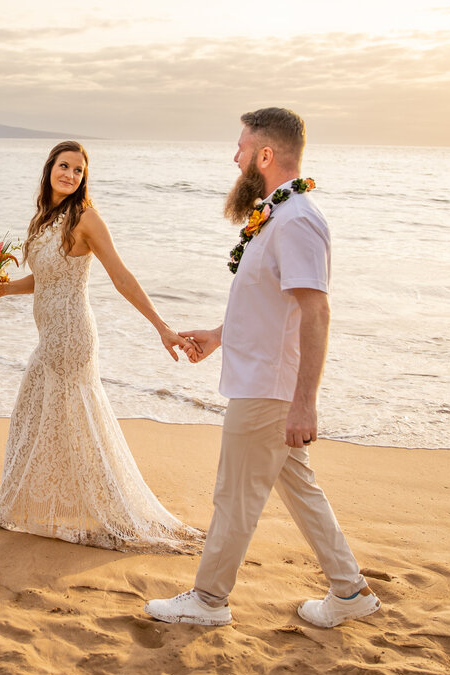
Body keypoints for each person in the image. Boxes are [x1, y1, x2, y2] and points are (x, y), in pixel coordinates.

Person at [144, 108, 381, 627]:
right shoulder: (276, 216)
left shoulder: (297, 220)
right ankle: (350, 592)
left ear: (266, 155)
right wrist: (220, 336)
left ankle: (208, 600)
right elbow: (272, 308)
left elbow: (315, 310)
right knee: (299, 489)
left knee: (234, 495)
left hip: (269, 391)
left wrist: (304, 403)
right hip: (264, 382)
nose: (235, 156)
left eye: (242, 147)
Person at [0, 140, 205, 554]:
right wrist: (0, 291)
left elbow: (121, 276)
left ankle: (39, 509)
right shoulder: (42, 220)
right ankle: (10, 505)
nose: (70, 175)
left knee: (75, 425)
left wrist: (161, 326)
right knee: (33, 417)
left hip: (72, 336)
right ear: (49, 169)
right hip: (48, 336)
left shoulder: (86, 219)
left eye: (78, 170)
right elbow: (43, 279)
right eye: (64, 166)